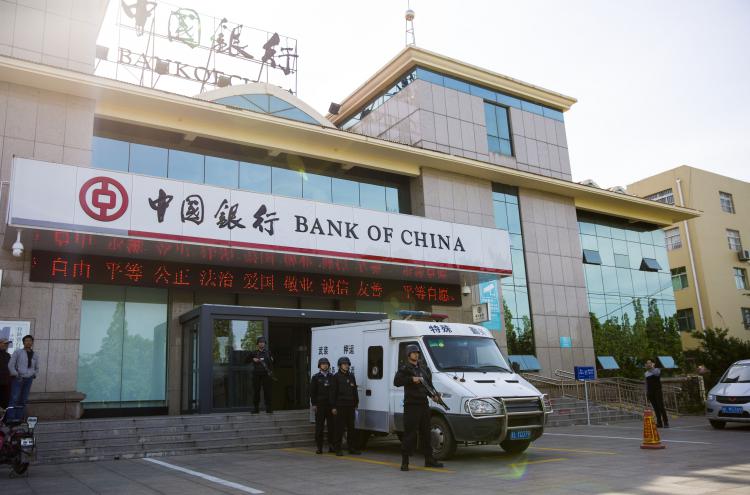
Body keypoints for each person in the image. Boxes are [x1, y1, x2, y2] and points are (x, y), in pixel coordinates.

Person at [393, 344, 444, 471]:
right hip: (411, 405)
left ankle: (429, 459)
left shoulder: (424, 369)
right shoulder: (404, 369)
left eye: (417, 353)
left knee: (426, 433)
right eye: (414, 352)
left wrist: (434, 396)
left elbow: (428, 386)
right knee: (409, 434)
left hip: (423, 404)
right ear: (408, 355)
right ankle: (405, 462)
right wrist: (411, 379)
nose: (416, 354)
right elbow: (397, 382)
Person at [330, 356, 361, 456]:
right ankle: (337, 448)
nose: (346, 366)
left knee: (351, 428)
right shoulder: (336, 377)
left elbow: (354, 390)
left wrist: (356, 402)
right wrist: (333, 407)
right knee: (339, 428)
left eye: (347, 364)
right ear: (340, 366)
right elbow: (332, 393)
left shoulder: (351, 376)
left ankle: (351, 448)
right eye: (344, 364)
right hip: (340, 406)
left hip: (350, 406)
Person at [8, 335, 39, 422]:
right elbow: (11, 365)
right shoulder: (18, 352)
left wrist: (34, 374)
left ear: (32, 342)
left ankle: (18, 418)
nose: (28, 342)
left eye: (30, 341)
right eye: (26, 341)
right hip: (18, 378)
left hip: (29, 379)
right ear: (23, 342)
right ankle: (10, 418)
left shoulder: (35, 354)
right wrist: (16, 374)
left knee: (23, 399)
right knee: (14, 398)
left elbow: (37, 367)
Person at [310, 357, 334, 454]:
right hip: (320, 405)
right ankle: (319, 447)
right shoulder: (315, 377)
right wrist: (314, 404)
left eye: (326, 364)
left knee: (331, 427)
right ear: (319, 366)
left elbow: (334, 391)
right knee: (319, 427)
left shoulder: (332, 377)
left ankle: (331, 446)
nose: (325, 365)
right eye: (323, 364)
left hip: (330, 405)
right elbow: (312, 392)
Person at [251, 336, 273, 414]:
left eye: (263, 342)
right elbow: (245, 360)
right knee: (256, 391)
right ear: (257, 344)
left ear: (265, 344)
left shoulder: (268, 352)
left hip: (266, 374)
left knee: (267, 391)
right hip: (256, 374)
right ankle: (256, 408)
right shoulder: (254, 353)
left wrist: (271, 372)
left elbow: (271, 363)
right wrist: (252, 359)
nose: (262, 343)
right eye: (260, 342)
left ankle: (268, 408)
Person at [645, 359, 669, 428]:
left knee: (661, 406)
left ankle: (666, 422)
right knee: (655, 408)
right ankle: (659, 423)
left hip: (657, 390)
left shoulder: (657, 370)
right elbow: (646, 384)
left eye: (650, 363)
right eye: (647, 363)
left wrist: (652, 368)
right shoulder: (646, 373)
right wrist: (647, 392)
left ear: (653, 364)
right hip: (650, 392)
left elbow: (657, 374)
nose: (648, 364)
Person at [0, 337, 11, 410]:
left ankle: (3, 415)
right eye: (5, 343)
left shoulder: (8, 355)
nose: (6, 345)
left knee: (4, 401)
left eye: (7, 344)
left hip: (6, 382)